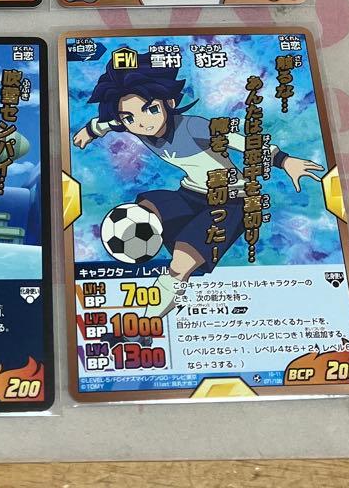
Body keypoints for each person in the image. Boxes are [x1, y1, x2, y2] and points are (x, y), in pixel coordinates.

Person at [73, 51, 323, 316]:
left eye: (151, 109)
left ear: (169, 102)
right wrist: (89, 132)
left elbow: (241, 142)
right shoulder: (130, 122)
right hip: (190, 193)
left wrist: (284, 160)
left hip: (231, 202)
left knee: (181, 263)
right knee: (147, 207)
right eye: (130, 118)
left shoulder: (193, 127)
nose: (142, 122)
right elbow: (109, 123)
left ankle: (146, 323)